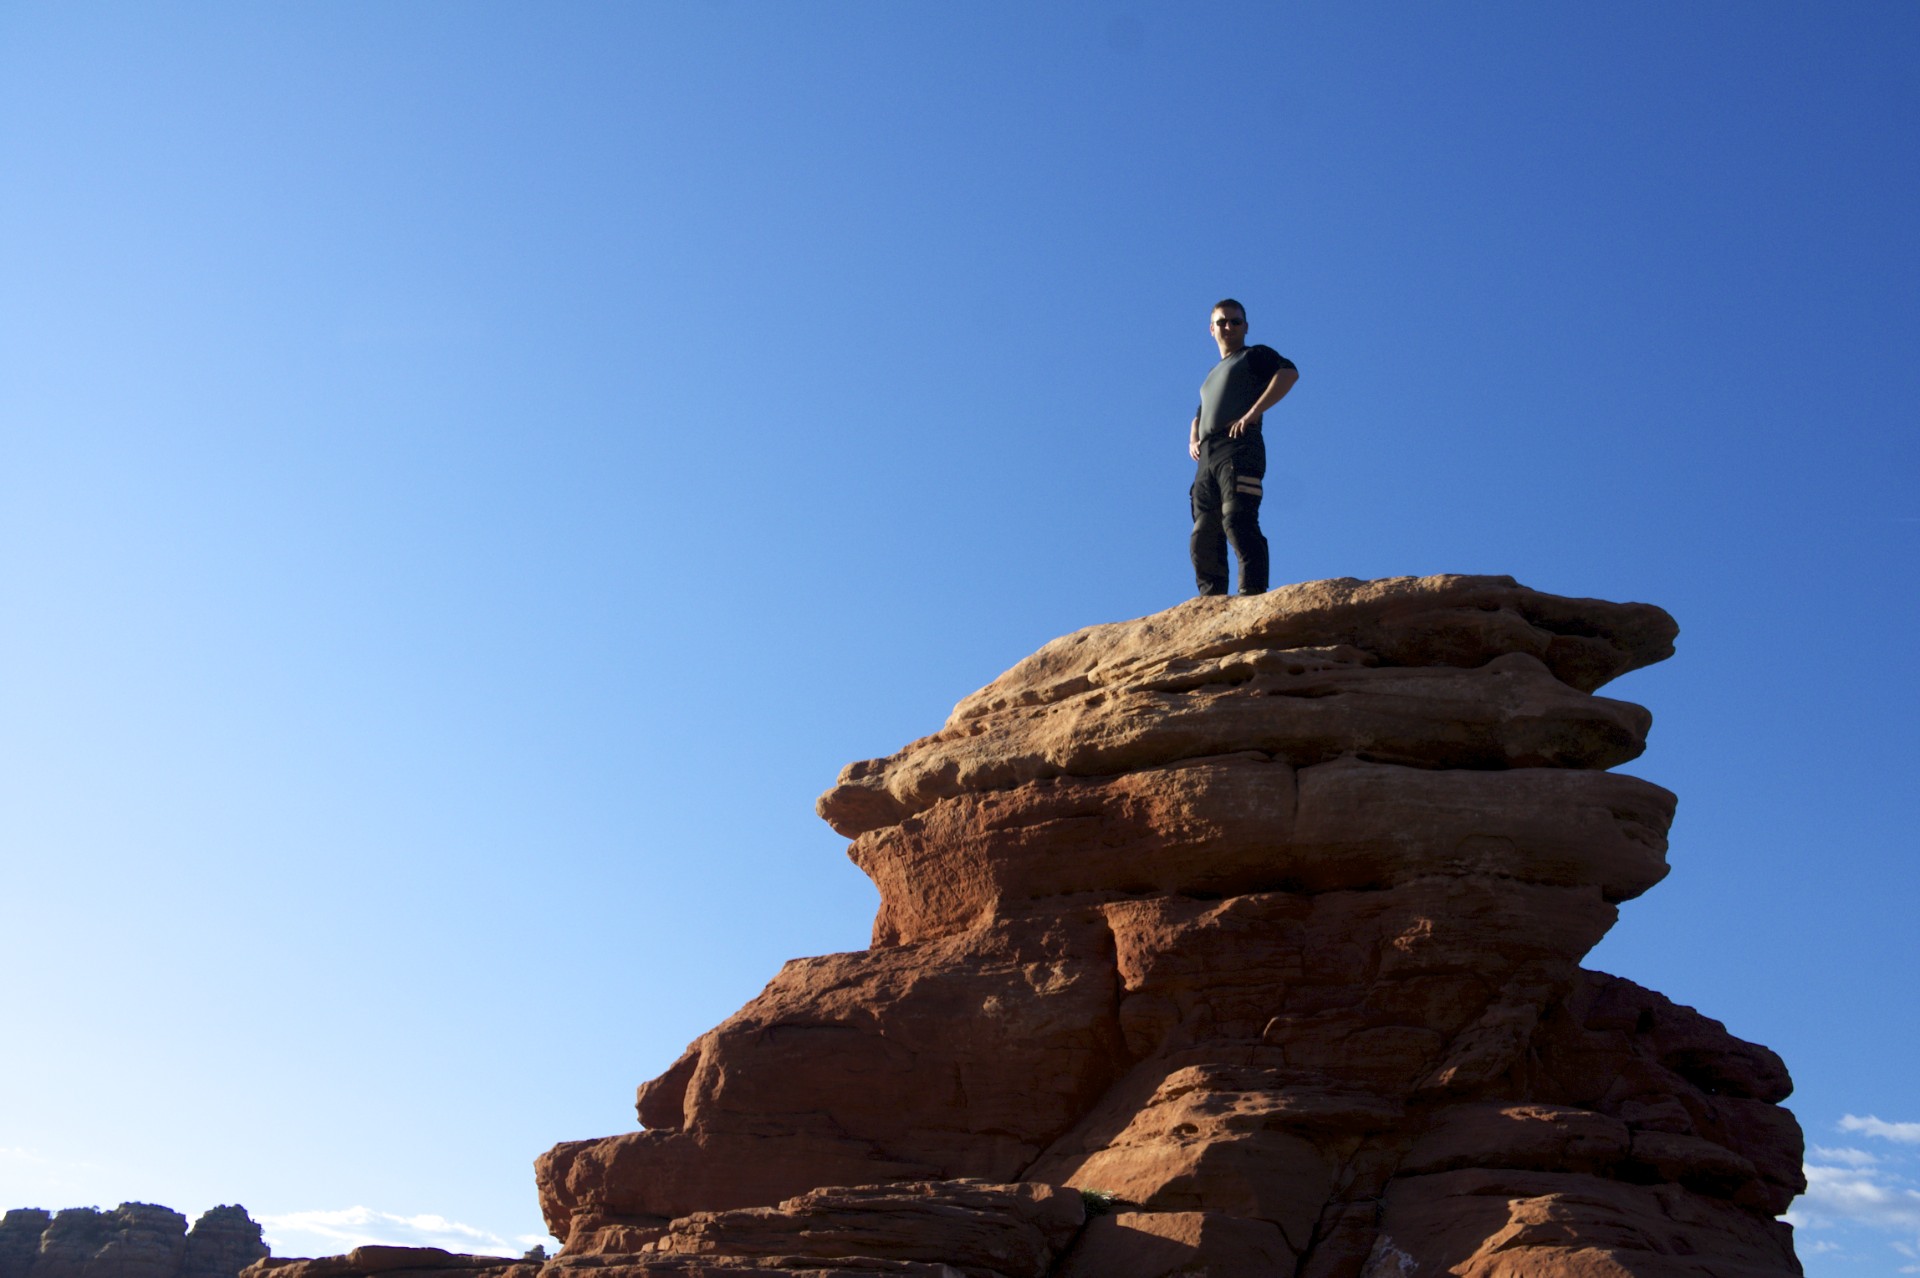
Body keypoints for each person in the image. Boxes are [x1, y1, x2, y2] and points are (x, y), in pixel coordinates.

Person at [1188, 298, 1298, 596]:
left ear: (1245, 326)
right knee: (1203, 533)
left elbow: (1288, 373)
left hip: (1238, 446)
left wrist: (1252, 414)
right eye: (1222, 321)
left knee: (1238, 519)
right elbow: (1200, 412)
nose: (1229, 326)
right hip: (1207, 456)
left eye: (1235, 321)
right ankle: (1211, 601)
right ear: (1211, 329)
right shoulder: (1212, 374)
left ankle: (1252, 594)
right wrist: (1193, 439)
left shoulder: (1254, 355)